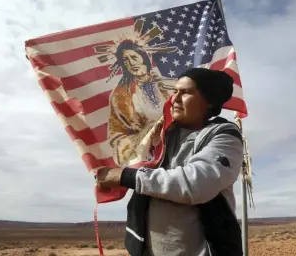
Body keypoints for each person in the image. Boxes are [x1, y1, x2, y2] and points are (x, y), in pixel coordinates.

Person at [97, 67, 244, 256]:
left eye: (186, 92)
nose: (175, 98)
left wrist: (126, 176)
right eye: (175, 91)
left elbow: (197, 183)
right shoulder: (158, 135)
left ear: (209, 101)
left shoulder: (224, 136)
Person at [107, 40, 175, 166]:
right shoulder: (119, 95)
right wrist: (149, 130)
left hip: (179, 147)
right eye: (125, 60)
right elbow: (116, 136)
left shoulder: (168, 84)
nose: (131, 63)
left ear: (144, 58)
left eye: (134, 57)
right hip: (148, 158)